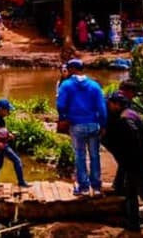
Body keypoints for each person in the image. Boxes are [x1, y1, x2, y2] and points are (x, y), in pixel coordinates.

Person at [102, 92, 143, 233]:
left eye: (111, 104)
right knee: (131, 192)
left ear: (117, 104)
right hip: (140, 162)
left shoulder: (125, 119)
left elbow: (132, 137)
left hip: (136, 164)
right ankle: (133, 224)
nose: (109, 106)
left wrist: (127, 155)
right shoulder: (132, 113)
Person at [56, 58, 107, 195]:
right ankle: (96, 187)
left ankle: (83, 187)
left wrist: (64, 118)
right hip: (94, 125)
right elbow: (102, 108)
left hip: (76, 125)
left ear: (72, 69)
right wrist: (103, 125)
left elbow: (60, 105)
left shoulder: (66, 85)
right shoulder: (94, 85)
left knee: (80, 156)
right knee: (95, 155)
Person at [0, 99, 29, 188]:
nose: (9, 111)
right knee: (17, 161)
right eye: (7, 109)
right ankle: (21, 182)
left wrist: (8, 134)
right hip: (3, 146)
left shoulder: (0, 119)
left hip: (2, 144)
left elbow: (1, 131)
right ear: (1, 109)